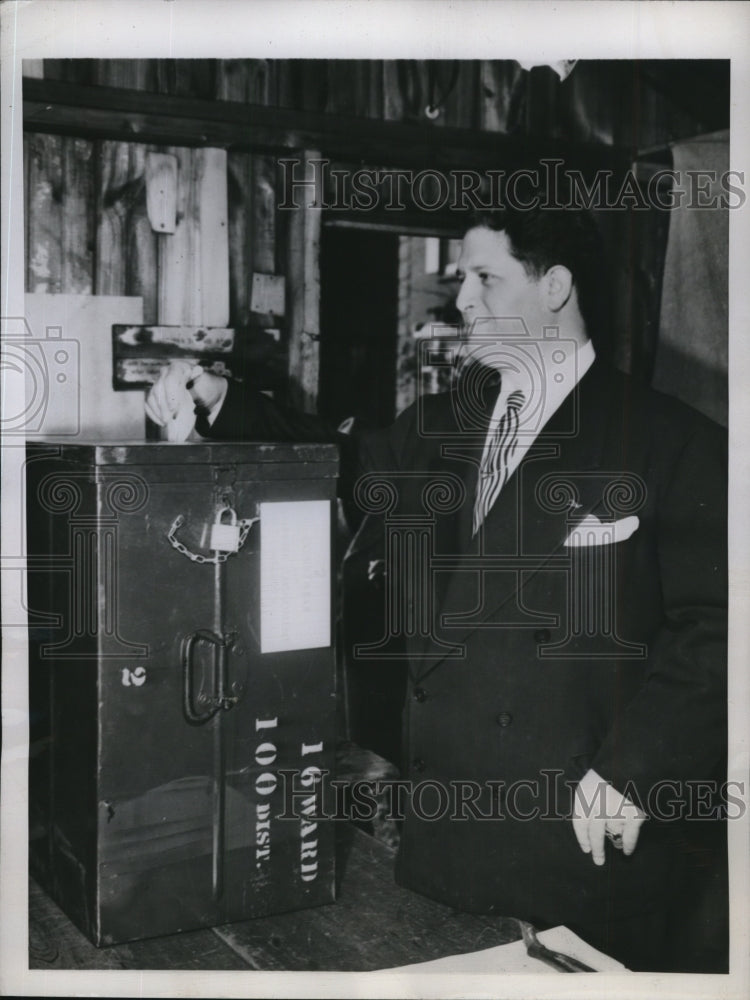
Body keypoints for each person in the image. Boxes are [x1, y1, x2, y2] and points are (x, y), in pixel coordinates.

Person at [146, 206, 727, 972]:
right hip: (445, 838)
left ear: (554, 287)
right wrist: (221, 398)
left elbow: (721, 628)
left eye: (486, 278)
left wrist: (638, 767)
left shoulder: (675, 441)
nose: (464, 300)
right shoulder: (447, 422)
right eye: (462, 279)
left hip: (582, 846)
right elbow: (343, 461)